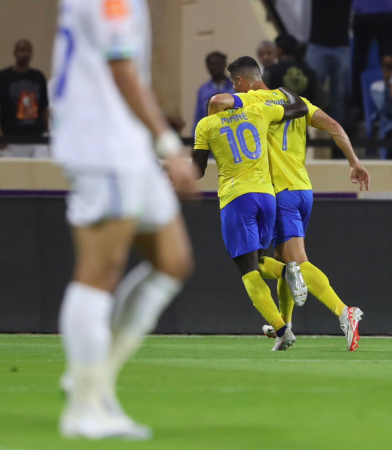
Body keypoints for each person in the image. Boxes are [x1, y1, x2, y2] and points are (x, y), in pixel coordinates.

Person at [51, 0, 198, 440]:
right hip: (104, 142)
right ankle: (83, 408)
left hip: (124, 142)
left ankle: (92, 381)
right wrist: (169, 145)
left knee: (172, 261)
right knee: (100, 271)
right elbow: (121, 69)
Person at [207, 56, 369, 352]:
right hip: (303, 188)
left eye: (235, 83)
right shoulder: (295, 100)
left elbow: (219, 103)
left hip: (278, 191)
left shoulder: (252, 101)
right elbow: (332, 124)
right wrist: (354, 161)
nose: (235, 89)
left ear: (242, 82)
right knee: (284, 260)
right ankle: (286, 325)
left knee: (296, 262)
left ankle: (344, 311)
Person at [193, 87, 310, 352]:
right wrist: (285, 91)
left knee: (247, 271)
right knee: (257, 261)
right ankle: (286, 270)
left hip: (237, 197)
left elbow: (197, 171)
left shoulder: (206, 125)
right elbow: (300, 108)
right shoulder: (258, 111)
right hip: (267, 196)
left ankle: (282, 330)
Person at [0, 40, 49, 158]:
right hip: (11, 138)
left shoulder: (38, 77)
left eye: (29, 51)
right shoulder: (4, 77)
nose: (25, 54)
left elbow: (44, 108)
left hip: (36, 137)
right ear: (14, 53)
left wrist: (48, 133)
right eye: (22, 50)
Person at [305, 0, 353, 124]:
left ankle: (335, 132)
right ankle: (309, 125)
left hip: (341, 46)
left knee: (339, 94)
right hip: (317, 44)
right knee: (311, 89)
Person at [351, 0, 392, 114]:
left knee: (386, 62)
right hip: (372, 12)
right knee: (361, 62)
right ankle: (358, 105)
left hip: (371, 12)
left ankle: (359, 106)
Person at [263, 34, 319, 104]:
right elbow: (320, 100)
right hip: (306, 113)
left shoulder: (271, 71)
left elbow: (261, 97)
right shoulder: (310, 73)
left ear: (279, 50)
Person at [191, 52, 235, 136]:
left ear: (224, 64)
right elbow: (198, 117)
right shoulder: (203, 90)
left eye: (218, 63)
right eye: (211, 64)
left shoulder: (235, 87)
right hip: (210, 138)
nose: (215, 67)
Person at [371, 55, 392, 141]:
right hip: (389, 124)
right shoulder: (376, 87)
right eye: (386, 66)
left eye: (391, 66)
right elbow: (386, 110)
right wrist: (388, 86)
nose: (388, 70)